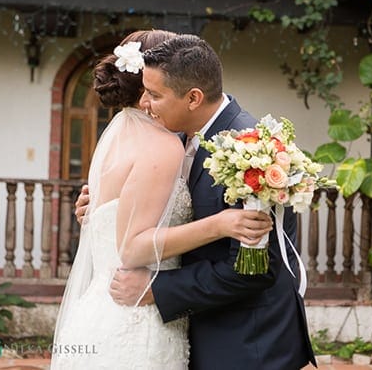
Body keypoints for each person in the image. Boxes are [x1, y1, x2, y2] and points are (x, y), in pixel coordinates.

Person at [77, 34, 317, 369]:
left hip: (246, 342)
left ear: (193, 98)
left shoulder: (252, 151)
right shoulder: (169, 137)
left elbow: (253, 270)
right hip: (194, 329)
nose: (144, 102)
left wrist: (158, 289)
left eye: (155, 95)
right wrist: (105, 208)